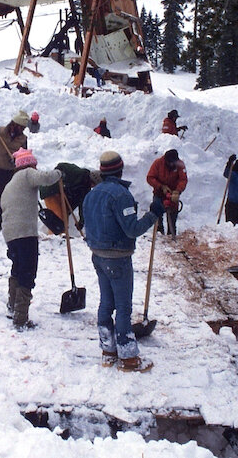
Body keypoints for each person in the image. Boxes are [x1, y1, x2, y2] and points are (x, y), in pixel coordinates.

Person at [83, 151, 165, 371]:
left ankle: (108, 351)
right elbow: (131, 230)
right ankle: (128, 358)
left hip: (98, 256)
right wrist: (153, 214)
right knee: (123, 307)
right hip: (117, 258)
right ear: (120, 169)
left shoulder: (91, 194)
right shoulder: (121, 195)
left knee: (105, 303)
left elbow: (85, 225)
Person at [0, 149, 62, 330]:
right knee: (28, 273)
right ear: (29, 164)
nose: (36, 167)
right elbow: (46, 178)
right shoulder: (27, 174)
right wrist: (59, 173)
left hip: (10, 234)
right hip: (25, 233)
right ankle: (20, 318)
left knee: (18, 269)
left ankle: (12, 306)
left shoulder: (10, 184)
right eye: (34, 164)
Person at [0, 110, 30, 231]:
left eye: (23, 128)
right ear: (14, 124)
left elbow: (24, 156)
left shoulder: (23, 139)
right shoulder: (0, 132)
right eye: (20, 127)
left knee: (14, 199)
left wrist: (18, 160)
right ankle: (0, 224)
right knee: (0, 198)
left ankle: (13, 224)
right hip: (1, 171)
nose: (22, 130)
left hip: (15, 173)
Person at [39, 163, 102, 231]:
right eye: (95, 185)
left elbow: (83, 205)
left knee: (64, 218)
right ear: (93, 182)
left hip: (59, 194)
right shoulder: (79, 173)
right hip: (50, 190)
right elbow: (62, 165)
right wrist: (61, 174)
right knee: (58, 220)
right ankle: (55, 238)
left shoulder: (85, 187)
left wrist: (81, 222)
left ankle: (62, 237)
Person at [146, 149, 187, 235]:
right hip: (159, 192)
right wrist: (161, 186)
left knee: (172, 214)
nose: (172, 165)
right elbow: (150, 177)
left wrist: (177, 191)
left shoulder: (180, 164)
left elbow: (183, 179)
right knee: (156, 209)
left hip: (173, 194)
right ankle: (159, 229)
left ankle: (171, 232)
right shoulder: (158, 163)